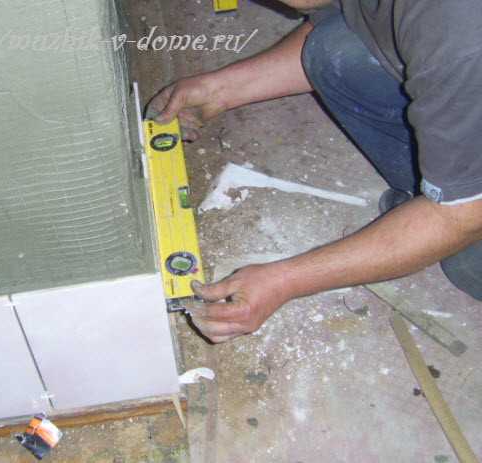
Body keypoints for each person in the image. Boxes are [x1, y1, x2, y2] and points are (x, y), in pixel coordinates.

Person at [147, 0, 482, 344]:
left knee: (468, 263)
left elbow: (461, 218)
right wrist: (220, 89)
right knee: (331, 49)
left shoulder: (460, 37)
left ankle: (449, 191)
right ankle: (450, 181)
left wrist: (284, 281)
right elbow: (350, 17)